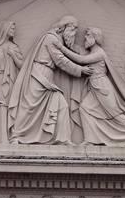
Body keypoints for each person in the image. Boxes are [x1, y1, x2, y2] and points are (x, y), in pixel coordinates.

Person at [8, 15, 94, 145]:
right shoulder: (51, 38)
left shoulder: (55, 39)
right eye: (73, 30)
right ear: (65, 27)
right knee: (29, 107)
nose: (74, 34)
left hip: (47, 75)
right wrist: (80, 70)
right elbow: (61, 61)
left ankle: (63, 139)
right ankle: (16, 136)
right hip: (39, 75)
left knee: (62, 105)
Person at [57, 27, 125, 149]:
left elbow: (81, 59)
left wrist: (61, 49)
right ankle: (90, 139)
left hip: (103, 88)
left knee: (114, 114)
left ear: (94, 38)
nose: (85, 39)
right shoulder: (92, 52)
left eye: (87, 36)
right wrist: (67, 44)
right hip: (94, 87)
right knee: (85, 109)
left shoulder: (99, 53)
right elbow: (79, 52)